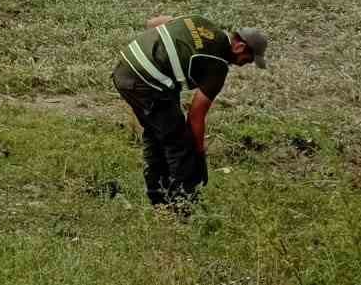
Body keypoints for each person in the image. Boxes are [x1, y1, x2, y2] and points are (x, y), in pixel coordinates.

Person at [112, 14, 268, 209]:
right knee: (181, 145)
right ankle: (183, 208)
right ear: (240, 47)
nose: (246, 64)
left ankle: (159, 201)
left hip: (125, 68)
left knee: (157, 133)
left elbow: (154, 23)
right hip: (146, 83)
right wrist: (199, 153)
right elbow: (196, 116)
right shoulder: (217, 65)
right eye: (249, 59)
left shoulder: (200, 22)